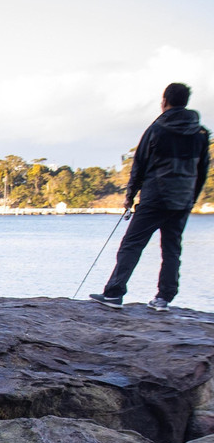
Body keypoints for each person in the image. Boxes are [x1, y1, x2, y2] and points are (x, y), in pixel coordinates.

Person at [90, 82, 210, 312]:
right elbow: (202, 171)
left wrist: (130, 196)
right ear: (185, 102)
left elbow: (140, 166)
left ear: (164, 101)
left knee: (131, 245)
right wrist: (191, 198)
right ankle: (164, 298)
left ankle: (114, 293)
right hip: (182, 201)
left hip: (155, 198)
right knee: (172, 249)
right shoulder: (201, 133)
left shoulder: (157, 129)